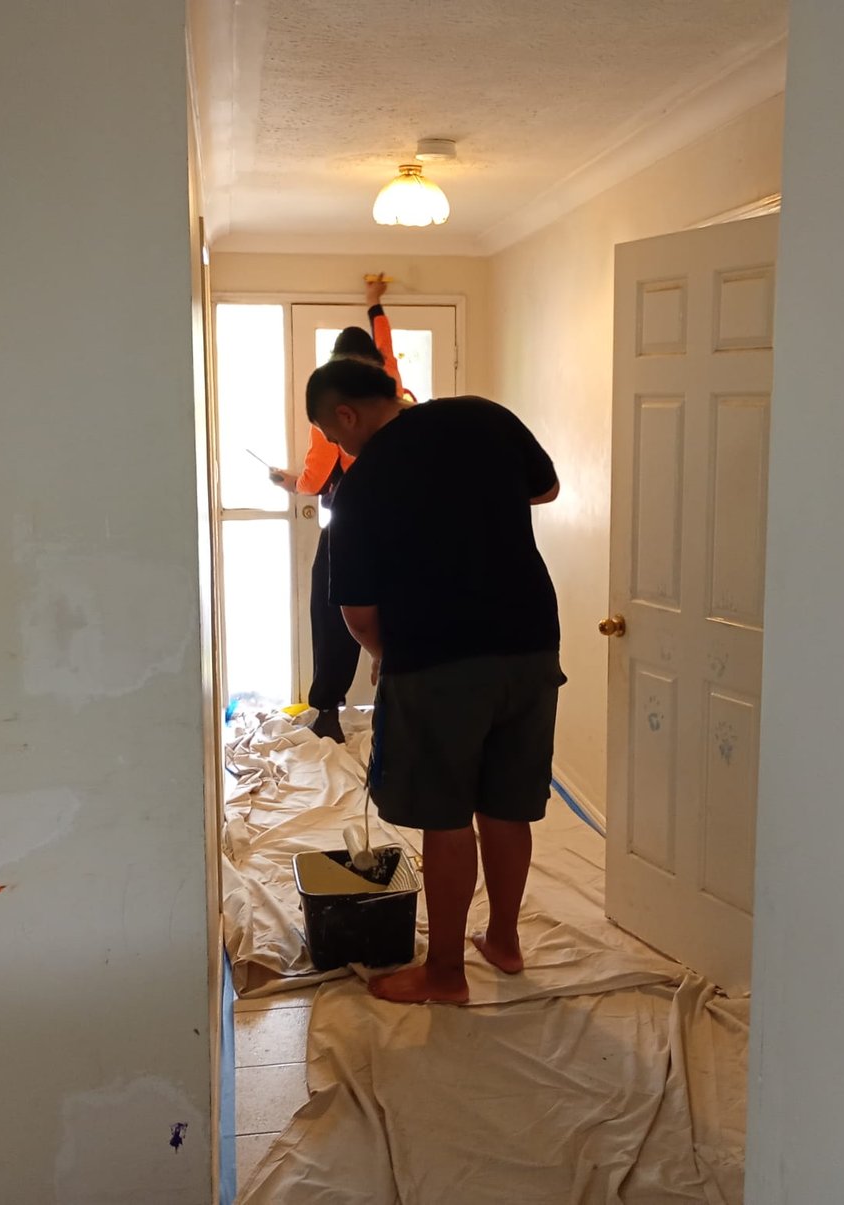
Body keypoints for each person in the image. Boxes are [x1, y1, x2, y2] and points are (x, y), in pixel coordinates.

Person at [305, 357, 563, 1004]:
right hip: (531, 644)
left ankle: (446, 973)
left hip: (437, 660)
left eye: (334, 436)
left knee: (446, 818)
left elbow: (357, 613)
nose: (340, 448)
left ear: (347, 414)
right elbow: (547, 489)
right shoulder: (484, 416)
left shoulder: (362, 486)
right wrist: (480, 504)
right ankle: (503, 941)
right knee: (507, 805)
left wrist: (385, 655)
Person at [271, 276, 411, 743]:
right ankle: (398, 705)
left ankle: (328, 710)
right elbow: (385, 344)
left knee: (333, 615)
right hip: (403, 522)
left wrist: (287, 482)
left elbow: (314, 480)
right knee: (401, 608)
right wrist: (375, 303)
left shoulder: (335, 409)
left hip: (350, 522)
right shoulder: (392, 387)